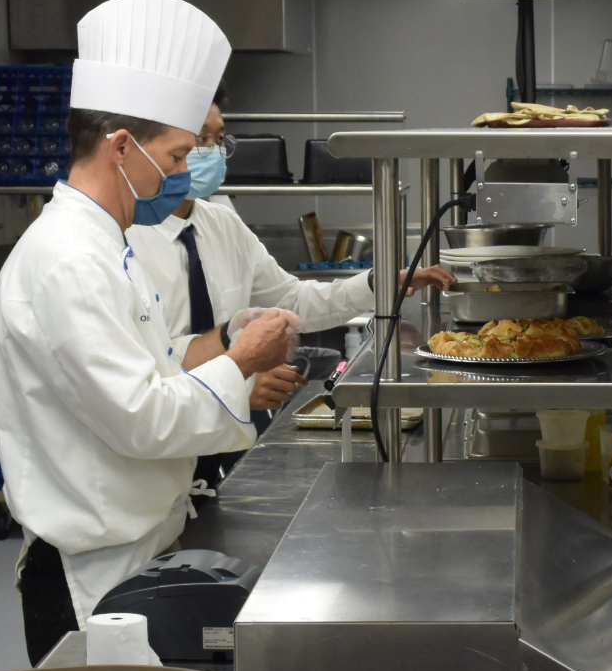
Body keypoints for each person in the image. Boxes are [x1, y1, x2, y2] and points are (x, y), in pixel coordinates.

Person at [0, 0, 295, 666]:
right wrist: (240, 362)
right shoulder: (67, 260)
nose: (187, 171)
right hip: (89, 573)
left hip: (144, 545)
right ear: (121, 147)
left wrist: (220, 347)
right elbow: (142, 417)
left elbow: (153, 363)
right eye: (180, 152)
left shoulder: (108, 245)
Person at [124, 101, 455, 483]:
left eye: (219, 140)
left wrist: (378, 284)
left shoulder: (223, 225)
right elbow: (149, 369)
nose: (211, 152)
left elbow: (293, 301)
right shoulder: (126, 239)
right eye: (199, 141)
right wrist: (239, 382)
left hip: (216, 458)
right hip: (154, 465)